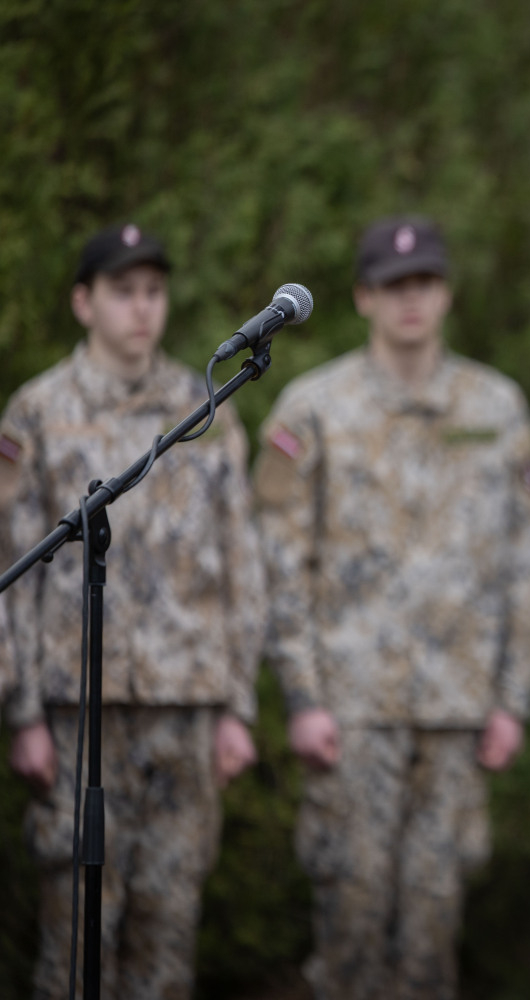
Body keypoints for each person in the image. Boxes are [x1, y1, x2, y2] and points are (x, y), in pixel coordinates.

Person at [253, 215, 530, 1000]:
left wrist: (512, 699)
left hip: (459, 712)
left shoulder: (496, 407)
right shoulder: (313, 409)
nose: (409, 300)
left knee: (430, 945)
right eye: (393, 286)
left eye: (423, 282)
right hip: (351, 713)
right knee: (349, 943)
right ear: (363, 297)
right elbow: (280, 565)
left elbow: (526, 563)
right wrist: (303, 697)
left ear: (446, 292)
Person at [0, 223, 265, 1000]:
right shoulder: (37, 413)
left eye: (153, 291)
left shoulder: (204, 406)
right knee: (77, 948)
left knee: (167, 944)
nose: (142, 307)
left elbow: (241, 562)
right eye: (123, 292)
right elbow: (11, 565)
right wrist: (22, 714)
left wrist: (237, 706)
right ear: (83, 303)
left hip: (186, 711)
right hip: (78, 713)